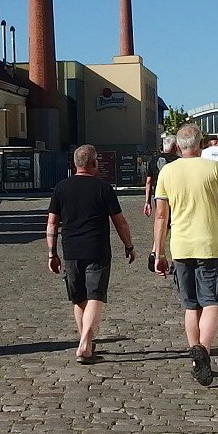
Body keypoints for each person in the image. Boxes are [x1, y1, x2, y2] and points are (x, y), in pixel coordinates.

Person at [151, 124, 218, 387]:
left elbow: (161, 216)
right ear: (201, 144)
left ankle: (196, 360)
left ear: (178, 147)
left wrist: (158, 251)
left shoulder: (167, 172)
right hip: (210, 244)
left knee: (191, 305)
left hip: (181, 247)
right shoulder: (214, 169)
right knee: (213, 302)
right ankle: (203, 350)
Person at [46, 144, 135, 364]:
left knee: (79, 298)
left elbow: (52, 223)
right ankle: (85, 344)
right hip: (97, 249)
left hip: (71, 251)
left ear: (75, 164)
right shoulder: (103, 188)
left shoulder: (61, 188)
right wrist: (129, 245)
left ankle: (86, 342)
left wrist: (52, 253)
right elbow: (120, 222)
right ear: (94, 163)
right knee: (96, 295)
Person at [142, 134, 177, 217]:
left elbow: (149, 182)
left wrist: (147, 202)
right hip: (176, 195)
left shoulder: (154, 160)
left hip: (159, 195)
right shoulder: (179, 160)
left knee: (161, 217)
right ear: (175, 147)